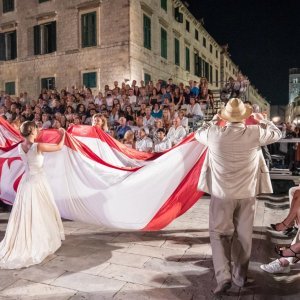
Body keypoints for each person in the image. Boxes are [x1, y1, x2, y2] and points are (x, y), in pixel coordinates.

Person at [195, 98, 281, 296]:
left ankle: (223, 276)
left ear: (225, 116)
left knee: (219, 235)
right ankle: (240, 277)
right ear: (245, 116)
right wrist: (262, 120)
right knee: (243, 236)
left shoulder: (214, 133)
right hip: (247, 194)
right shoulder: (254, 132)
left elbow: (196, 133)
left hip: (221, 194)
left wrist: (213, 120)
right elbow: (277, 134)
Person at [0, 121, 65, 269]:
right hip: (37, 182)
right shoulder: (38, 146)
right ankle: (38, 240)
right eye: (35, 129)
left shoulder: (19, 147)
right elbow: (59, 147)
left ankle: (28, 236)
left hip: (26, 182)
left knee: (27, 212)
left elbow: (30, 142)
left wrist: (35, 131)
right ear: (32, 131)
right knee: (40, 211)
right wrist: (63, 134)